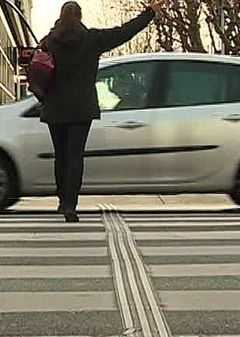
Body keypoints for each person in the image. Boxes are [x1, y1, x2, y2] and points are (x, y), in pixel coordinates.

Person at [40, 0, 169, 222]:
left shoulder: (49, 41)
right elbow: (125, 32)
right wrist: (150, 13)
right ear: (80, 17)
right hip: (81, 107)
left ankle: (62, 200)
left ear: (61, 17)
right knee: (75, 156)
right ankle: (71, 205)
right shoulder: (92, 40)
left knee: (60, 155)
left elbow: (36, 67)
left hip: (55, 106)